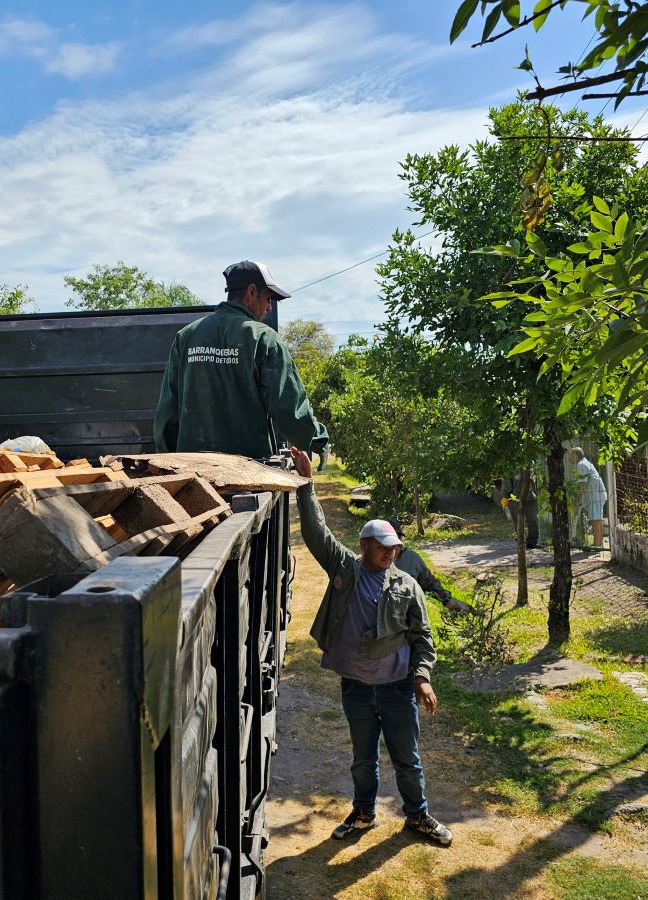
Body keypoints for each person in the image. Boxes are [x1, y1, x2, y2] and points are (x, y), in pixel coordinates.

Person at [290, 446, 454, 847]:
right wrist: (307, 486)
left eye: (394, 547)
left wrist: (422, 678)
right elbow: (316, 534)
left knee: (407, 760)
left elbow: (423, 639)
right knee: (363, 759)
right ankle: (364, 813)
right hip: (357, 689)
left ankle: (417, 816)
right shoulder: (345, 568)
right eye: (382, 546)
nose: (389, 552)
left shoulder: (407, 585)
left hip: (398, 688)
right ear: (364, 545)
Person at [153, 260, 329, 459]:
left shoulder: (186, 336)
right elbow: (287, 407)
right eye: (268, 298)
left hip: (195, 472)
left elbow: (167, 410)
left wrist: (168, 458)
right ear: (251, 292)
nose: (269, 307)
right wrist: (317, 440)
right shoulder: (264, 338)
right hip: (248, 472)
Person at [386, 520, 474, 615]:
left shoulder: (411, 558)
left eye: (397, 538)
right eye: (389, 540)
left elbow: (428, 583)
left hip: (405, 617)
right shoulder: (370, 560)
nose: (394, 544)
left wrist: (447, 600)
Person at [569, 447, 607, 548]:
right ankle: (598, 543)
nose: (569, 457)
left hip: (596, 495)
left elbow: (582, 485)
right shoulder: (583, 464)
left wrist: (579, 500)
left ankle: (598, 545)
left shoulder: (581, 465)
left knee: (597, 519)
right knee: (596, 519)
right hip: (595, 495)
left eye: (571, 455)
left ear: (576, 456)